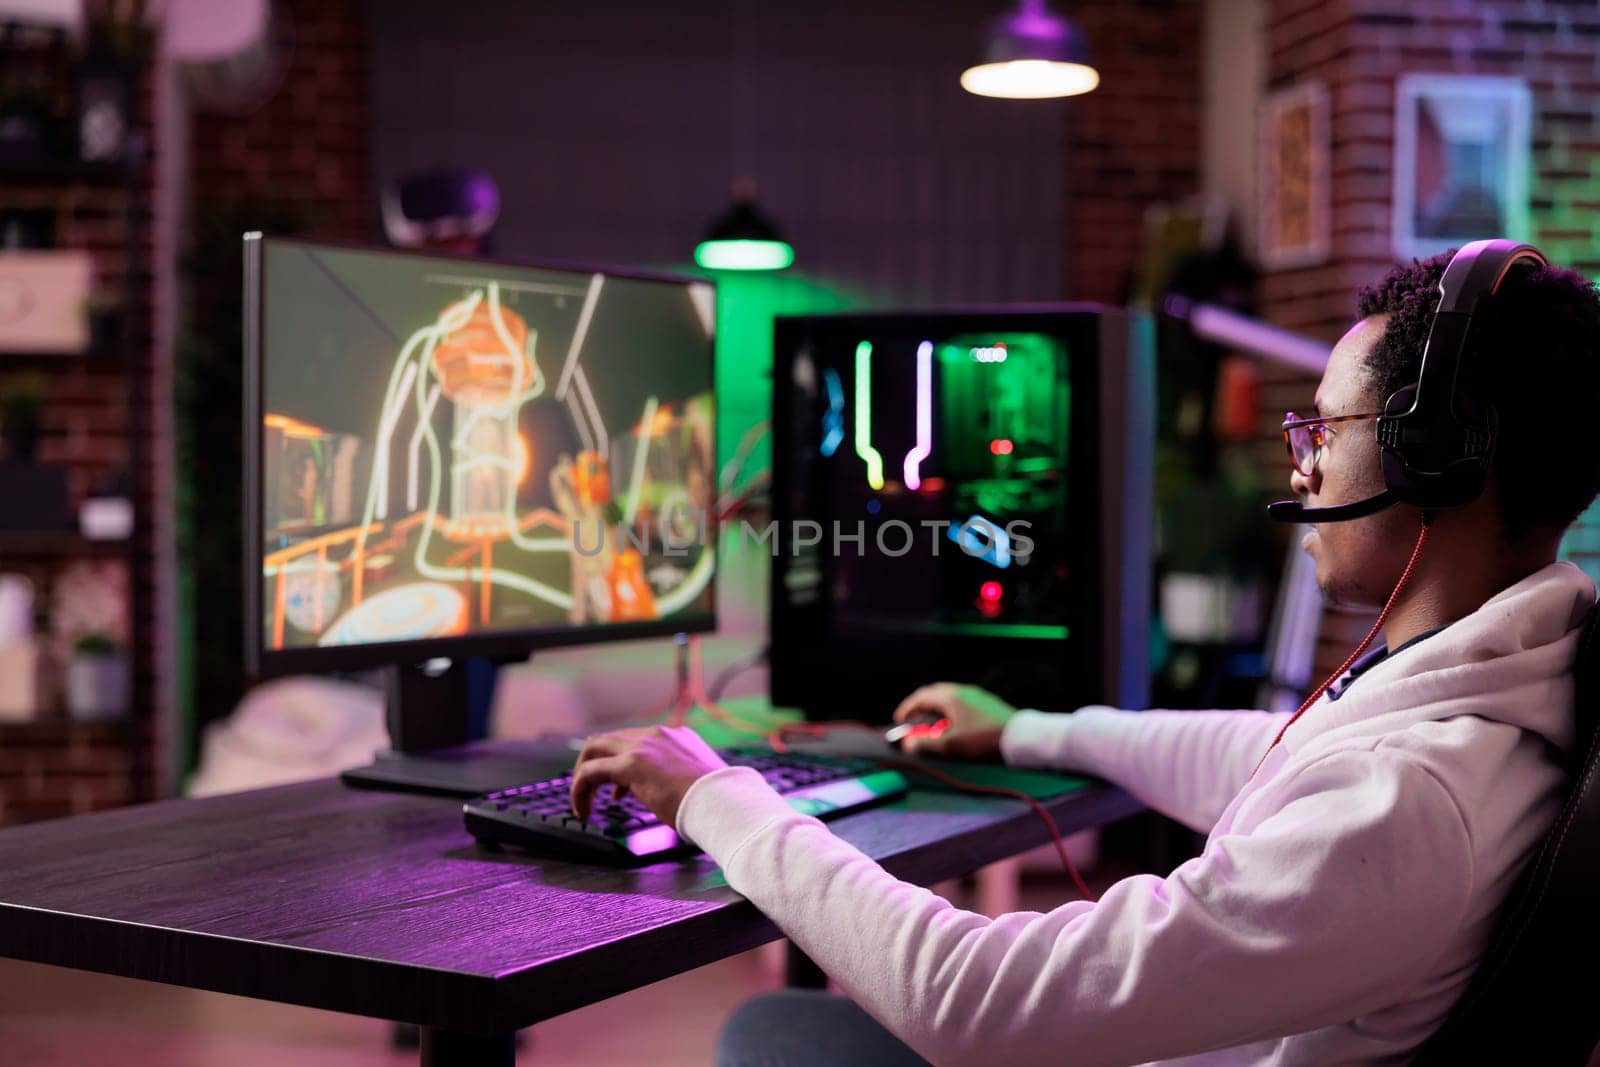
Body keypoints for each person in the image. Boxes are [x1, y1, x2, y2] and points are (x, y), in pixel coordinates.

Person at [568, 248, 1600, 1065]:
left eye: (1325, 424)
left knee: (772, 1037)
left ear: (1436, 452)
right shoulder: (1511, 685)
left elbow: (967, 998)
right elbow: (1272, 754)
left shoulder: (1408, 802)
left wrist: (718, 795)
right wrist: (1026, 726)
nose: (1305, 460)